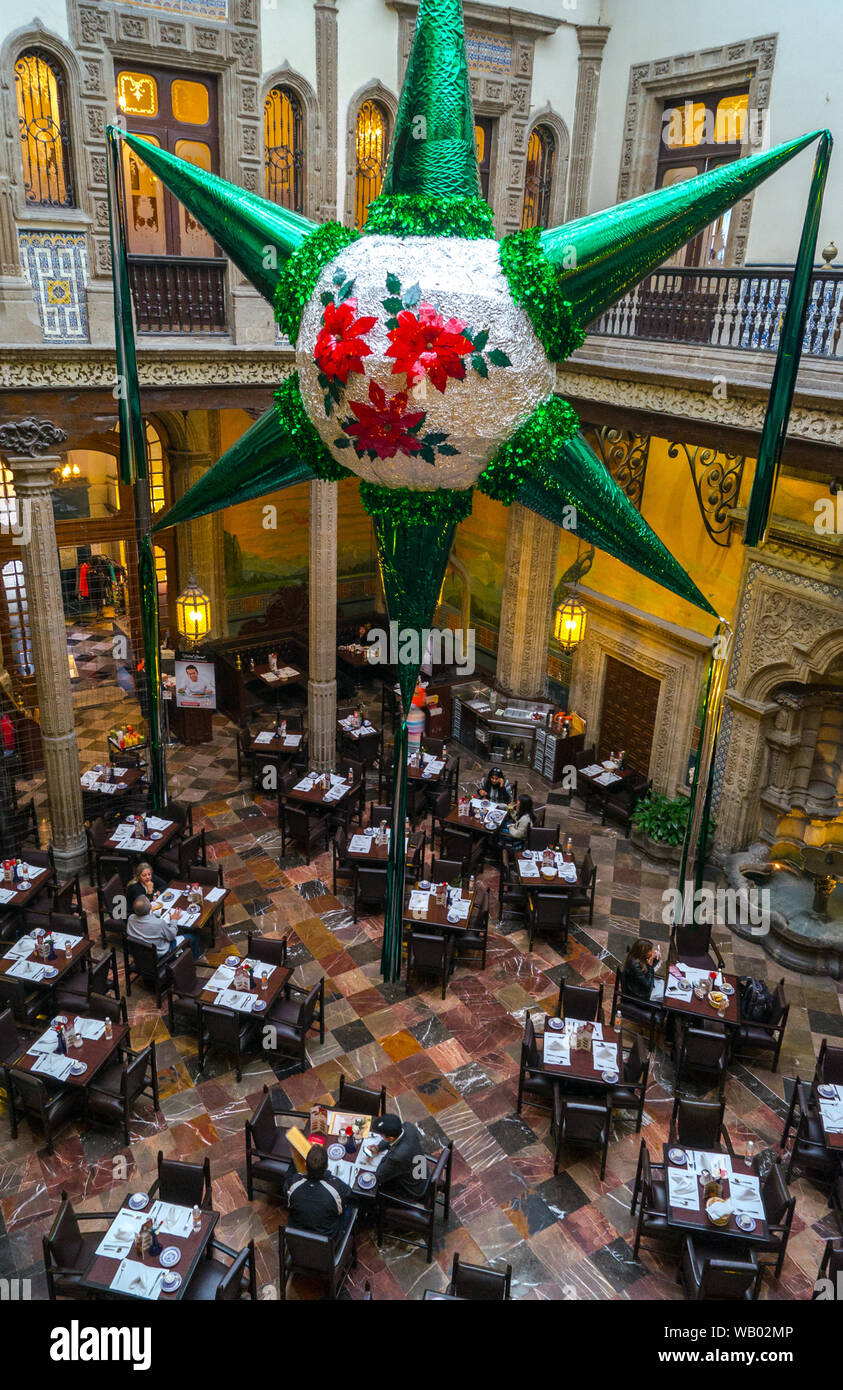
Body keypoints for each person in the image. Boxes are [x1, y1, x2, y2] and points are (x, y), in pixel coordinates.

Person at [284, 1143, 353, 1240]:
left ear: (306, 1165)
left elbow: (287, 1179)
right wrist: (330, 1177)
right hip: (327, 1243)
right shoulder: (336, 1187)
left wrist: (294, 1158)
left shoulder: (293, 1183)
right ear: (327, 1166)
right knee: (351, 1206)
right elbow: (348, 1192)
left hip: (298, 1241)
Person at [371, 1114, 429, 1199]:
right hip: (422, 1170)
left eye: (381, 1135)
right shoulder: (408, 1127)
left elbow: (379, 1175)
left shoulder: (397, 1157)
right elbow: (395, 1138)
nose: (381, 1136)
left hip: (414, 1187)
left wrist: (385, 1156)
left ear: (390, 1138)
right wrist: (379, 1147)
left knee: (376, 1189)